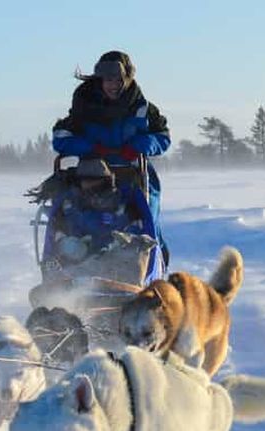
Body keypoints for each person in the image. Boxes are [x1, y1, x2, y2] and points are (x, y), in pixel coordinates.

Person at [52, 51, 171, 276]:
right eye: (108, 80)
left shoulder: (142, 108)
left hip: (134, 177)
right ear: (99, 80)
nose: (113, 85)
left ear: (127, 78)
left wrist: (138, 145)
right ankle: (68, 266)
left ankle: (149, 270)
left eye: (118, 80)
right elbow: (61, 138)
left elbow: (162, 137)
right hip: (92, 178)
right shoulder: (84, 105)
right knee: (77, 220)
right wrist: (91, 148)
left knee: (147, 219)